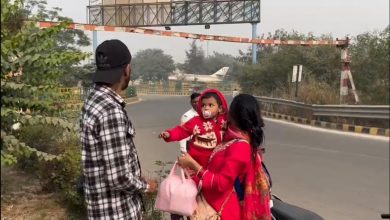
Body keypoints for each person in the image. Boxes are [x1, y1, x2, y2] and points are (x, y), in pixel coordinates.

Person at [80, 39, 157, 220]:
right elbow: (118, 177)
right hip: (117, 212)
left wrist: (136, 178)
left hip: (100, 208)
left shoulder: (93, 99)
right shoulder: (110, 110)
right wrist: (147, 187)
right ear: (127, 69)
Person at [178, 94, 272, 220]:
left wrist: (194, 165)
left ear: (233, 115)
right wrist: (193, 170)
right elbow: (214, 170)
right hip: (210, 205)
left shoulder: (240, 147)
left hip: (222, 213)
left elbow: (221, 183)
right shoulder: (230, 140)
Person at [159, 89, 228, 170]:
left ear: (220, 108)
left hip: (218, 163)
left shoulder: (225, 121)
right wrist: (169, 134)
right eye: (203, 105)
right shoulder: (196, 121)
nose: (206, 108)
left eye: (210, 105)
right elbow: (181, 130)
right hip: (197, 163)